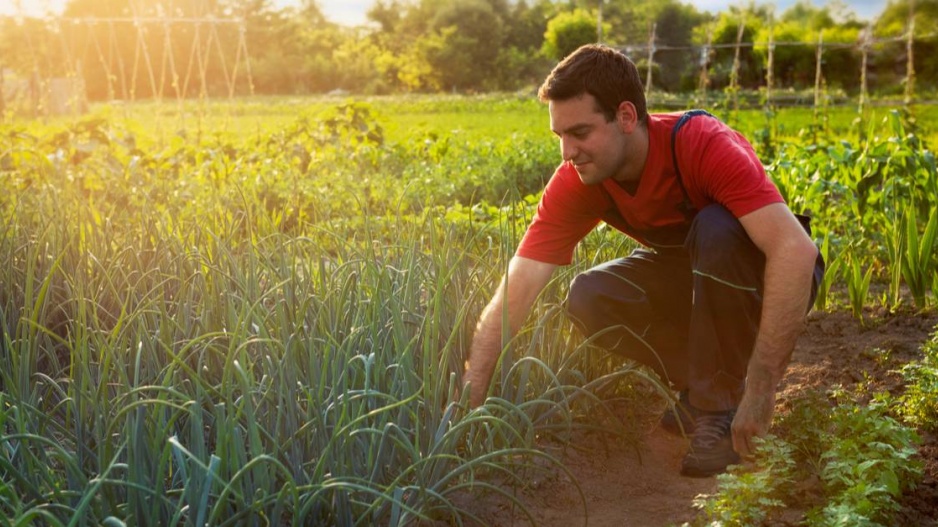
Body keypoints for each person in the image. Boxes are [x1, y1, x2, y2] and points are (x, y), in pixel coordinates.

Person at [461, 44, 825, 477]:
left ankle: (719, 406)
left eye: (580, 132)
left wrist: (763, 389)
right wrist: (471, 390)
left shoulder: (701, 144)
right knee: (591, 295)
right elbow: (517, 285)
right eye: (559, 136)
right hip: (695, 276)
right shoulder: (580, 179)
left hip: (762, 277)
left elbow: (794, 251)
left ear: (627, 117)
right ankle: (705, 386)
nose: (567, 152)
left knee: (715, 228)